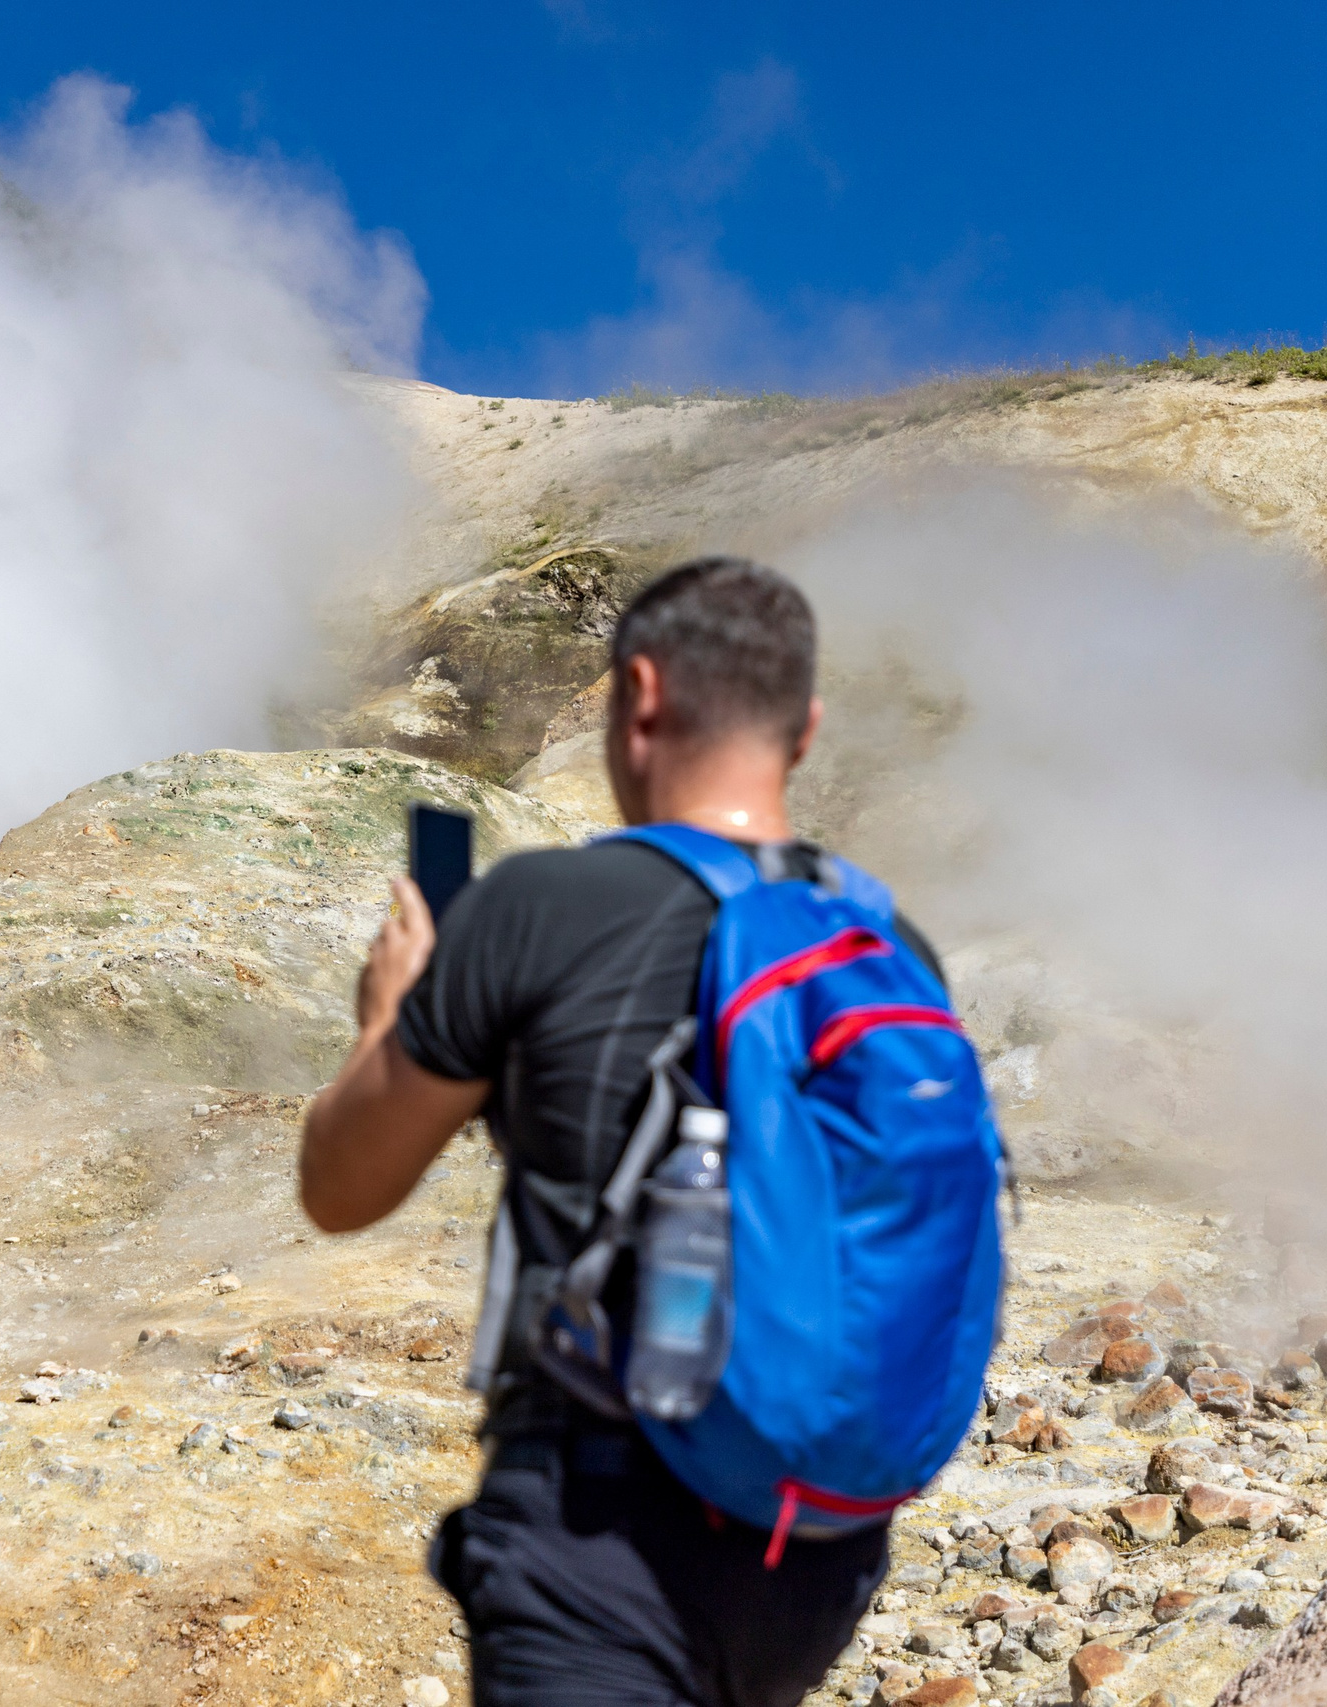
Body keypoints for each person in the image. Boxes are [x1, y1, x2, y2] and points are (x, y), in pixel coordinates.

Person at [298, 557, 947, 1707]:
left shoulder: (544, 910)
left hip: (605, 1537)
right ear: (803, 728)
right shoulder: (888, 943)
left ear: (637, 694)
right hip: (820, 1549)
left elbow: (341, 1188)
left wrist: (388, 1022)